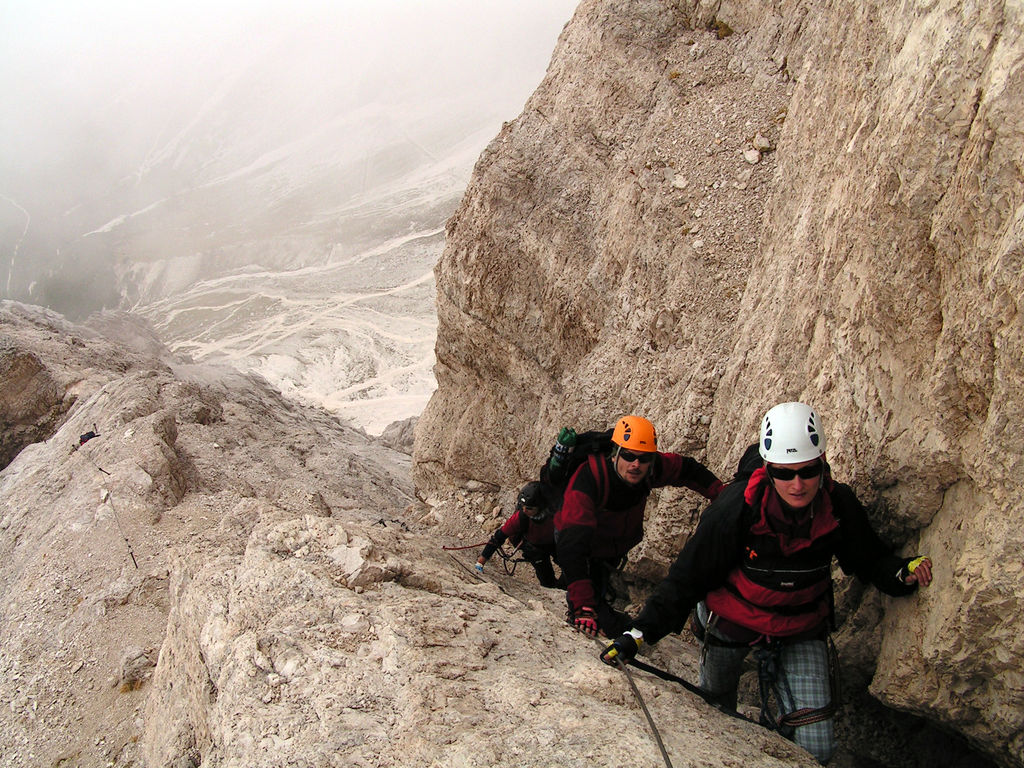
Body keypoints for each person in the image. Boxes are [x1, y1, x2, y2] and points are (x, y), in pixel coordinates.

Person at [599, 402, 934, 765]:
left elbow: (867, 558)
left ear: (823, 465)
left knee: (817, 748)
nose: (798, 484)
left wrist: (901, 573)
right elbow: (688, 577)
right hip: (731, 619)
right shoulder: (736, 508)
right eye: (784, 474)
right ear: (767, 469)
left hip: (800, 625)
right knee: (714, 707)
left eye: (808, 472)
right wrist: (639, 634)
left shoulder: (837, 505)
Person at [556, 414, 724, 638]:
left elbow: (688, 470)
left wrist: (723, 497)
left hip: (609, 548)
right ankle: (577, 597)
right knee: (601, 613)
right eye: (629, 456)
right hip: (581, 545)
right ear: (615, 453)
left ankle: (577, 591)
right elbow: (573, 546)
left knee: (599, 584)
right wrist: (583, 607)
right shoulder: (589, 479)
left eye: (644, 458)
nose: (636, 464)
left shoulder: (651, 469)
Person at [476, 481, 563, 588]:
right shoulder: (520, 518)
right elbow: (498, 537)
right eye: (522, 506)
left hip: (553, 543)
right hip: (535, 548)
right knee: (546, 579)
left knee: (571, 568)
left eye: (529, 508)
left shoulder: (556, 514)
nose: (524, 510)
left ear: (540, 506)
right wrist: (481, 562)